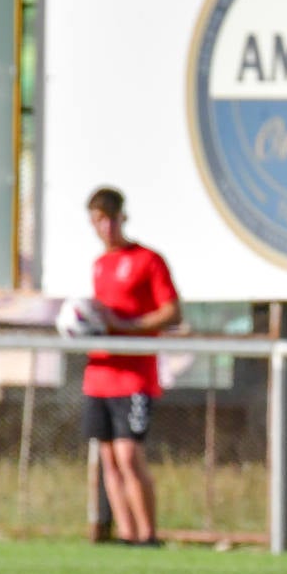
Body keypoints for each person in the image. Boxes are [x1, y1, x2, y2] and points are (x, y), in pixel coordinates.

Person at [82, 187, 182, 547]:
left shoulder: (147, 260)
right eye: (98, 219)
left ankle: (148, 534)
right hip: (98, 376)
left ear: (122, 217)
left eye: (111, 217)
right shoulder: (98, 265)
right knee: (108, 457)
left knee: (128, 455)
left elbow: (172, 312)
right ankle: (126, 535)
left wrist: (127, 326)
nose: (105, 227)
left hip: (133, 377)